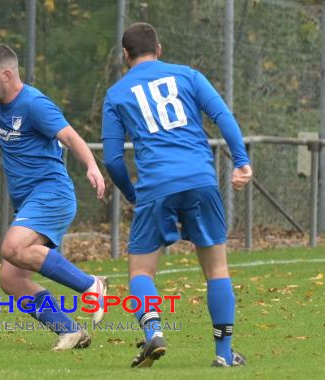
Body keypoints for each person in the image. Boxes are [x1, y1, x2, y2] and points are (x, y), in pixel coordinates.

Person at [102, 22, 252, 368]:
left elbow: (112, 158)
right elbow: (222, 116)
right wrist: (241, 162)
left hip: (155, 185)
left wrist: (132, 193)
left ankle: (153, 331)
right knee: (217, 269)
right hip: (200, 179)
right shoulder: (188, 76)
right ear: (160, 48)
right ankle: (223, 353)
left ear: (126, 56)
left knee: (141, 269)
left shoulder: (117, 93)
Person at [0, 44, 108, 351]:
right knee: (11, 279)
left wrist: (92, 166)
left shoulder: (34, 104)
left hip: (52, 194)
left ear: (7, 74)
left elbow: (70, 136)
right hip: (31, 201)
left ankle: (91, 285)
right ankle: (70, 331)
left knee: (12, 247)